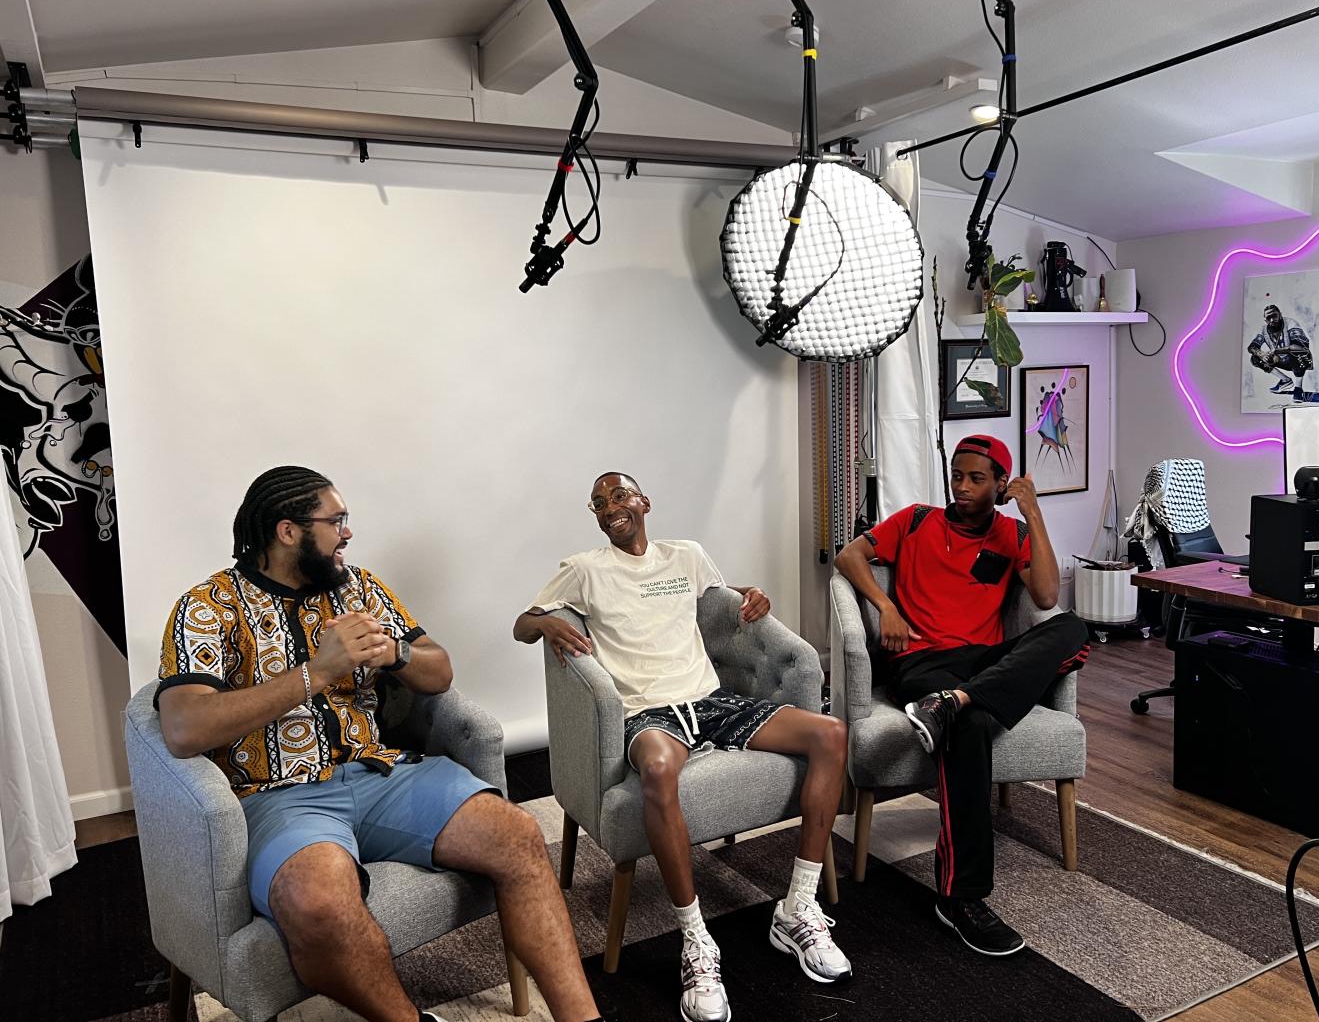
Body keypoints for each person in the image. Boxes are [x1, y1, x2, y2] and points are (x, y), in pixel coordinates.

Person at [155, 466, 613, 1022]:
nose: (348, 533)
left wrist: (393, 653)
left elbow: (439, 670)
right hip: (277, 796)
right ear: (287, 531)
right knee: (318, 905)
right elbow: (184, 729)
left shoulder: (359, 588)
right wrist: (314, 674)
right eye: (336, 521)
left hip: (383, 774)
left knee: (518, 835)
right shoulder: (207, 607)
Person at [514, 472, 851, 1022]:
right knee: (656, 769)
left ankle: (798, 907)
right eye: (599, 504)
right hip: (648, 712)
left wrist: (751, 593)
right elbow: (520, 625)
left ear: (644, 502)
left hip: (710, 703)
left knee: (831, 734)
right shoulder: (584, 570)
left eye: (620, 496)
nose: (610, 508)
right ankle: (696, 942)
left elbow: (720, 600)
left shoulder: (686, 556)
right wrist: (547, 624)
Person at [834, 435, 1089, 957]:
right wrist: (885, 605)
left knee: (1071, 629)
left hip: (982, 662)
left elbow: (1045, 596)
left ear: (1000, 485)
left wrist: (1033, 512)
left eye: (977, 479)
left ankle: (963, 699)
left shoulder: (1012, 533)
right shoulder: (916, 520)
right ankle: (959, 898)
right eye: (958, 475)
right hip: (921, 663)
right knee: (970, 727)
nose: (963, 487)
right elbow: (849, 556)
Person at [1248, 303, 1314, 397]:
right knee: (1255, 358)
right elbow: (1251, 347)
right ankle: (1285, 381)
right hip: (1280, 359)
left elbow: (1300, 347)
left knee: (1297, 352)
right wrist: (1262, 354)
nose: (1272, 320)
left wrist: (1276, 351)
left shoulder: (1290, 323)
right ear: (1265, 320)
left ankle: (1298, 389)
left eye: (1274, 316)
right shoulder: (1263, 330)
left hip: (1299, 359)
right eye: (1268, 318)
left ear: (1280, 314)